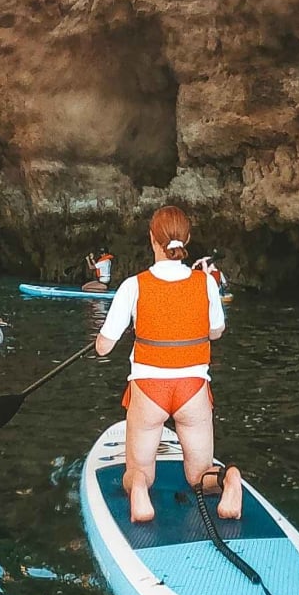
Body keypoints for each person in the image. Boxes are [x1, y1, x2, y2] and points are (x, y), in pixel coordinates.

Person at [95, 206, 241, 524]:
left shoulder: (133, 286)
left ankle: (139, 494)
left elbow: (104, 347)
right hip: (193, 390)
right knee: (200, 475)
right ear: (187, 239)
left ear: (152, 239)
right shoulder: (205, 284)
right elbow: (216, 332)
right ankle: (228, 480)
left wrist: (106, 337)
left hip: (149, 390)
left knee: (139, 472)